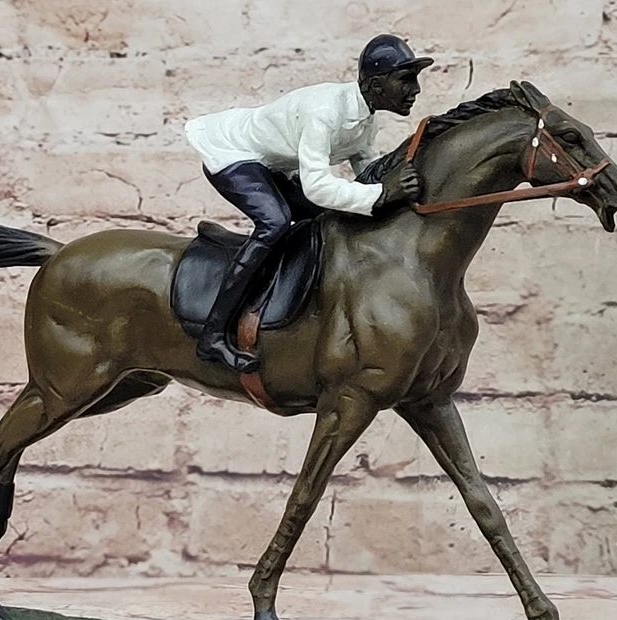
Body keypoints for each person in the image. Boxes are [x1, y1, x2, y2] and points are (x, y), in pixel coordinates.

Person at [184, 34, 434, 373]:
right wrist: (381, 194)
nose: (415, 89)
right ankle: (212, 335)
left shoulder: (365, 116)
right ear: (376, 85)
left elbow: (365, 164)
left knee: (325, 218)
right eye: (406, 79)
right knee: (274, 222)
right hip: (232, 152)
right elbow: (316, 186)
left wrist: (396, 187)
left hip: (272, 163)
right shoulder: (325, 112)